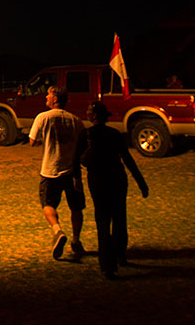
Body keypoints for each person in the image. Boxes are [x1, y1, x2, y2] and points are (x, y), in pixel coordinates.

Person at [80, 101, 148, 278]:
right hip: (117, 178)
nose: (86, 113)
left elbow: (79, 160)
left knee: (103, 222)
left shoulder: (87, 134)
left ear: (94, 115)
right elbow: (127, 159)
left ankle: (107, 265)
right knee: (119, 217)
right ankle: (119, 254)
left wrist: (76, 180)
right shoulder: (114, 134)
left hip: (98, 181)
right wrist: (141, 182)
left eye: (89, 110)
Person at [30, 86, 86, 260]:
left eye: (48, 94)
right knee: (76, 207)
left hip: (49, 170)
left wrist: (43, 141)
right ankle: (76, 240)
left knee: (48, 204)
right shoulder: (75, 120)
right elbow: (82, 145)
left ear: (55, 99)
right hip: (71, 171)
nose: (45, 96)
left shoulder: (42, 117)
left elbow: (32, 141)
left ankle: (58, 230)